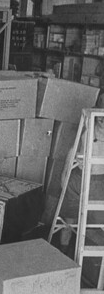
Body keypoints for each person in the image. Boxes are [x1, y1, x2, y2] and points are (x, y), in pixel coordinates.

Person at [58, 95, 104, 254]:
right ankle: (63, 250)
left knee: (95, 221)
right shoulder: (88, 127)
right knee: (69, 216)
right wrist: (66, 171)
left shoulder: (90, 125)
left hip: (98, 182)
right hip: (80, 178)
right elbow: (73, 151)